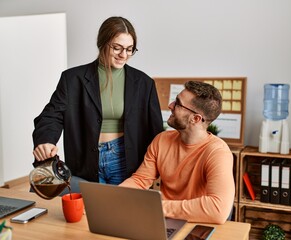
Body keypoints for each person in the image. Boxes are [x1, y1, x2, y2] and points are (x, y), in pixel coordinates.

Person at [32, 16, 163, 193]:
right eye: (117, 48)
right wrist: (45, 140)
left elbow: (155, 131)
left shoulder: (144, 83)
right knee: (84, 216)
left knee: (118, 215)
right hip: (86, 158)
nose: (123, 55)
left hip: (125, 159)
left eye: (130, 49)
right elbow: (52, 115)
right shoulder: (72, 79)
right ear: (102, 44)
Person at [120, 81, 235, 224]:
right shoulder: (162, 140)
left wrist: (156, 207)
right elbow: (139, 180)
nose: (170, 106)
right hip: (165, 221)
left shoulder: (218, 153)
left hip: (198, 224)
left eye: (178, 104)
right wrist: (116, 198)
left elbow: (218, 210)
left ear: (196, 119)